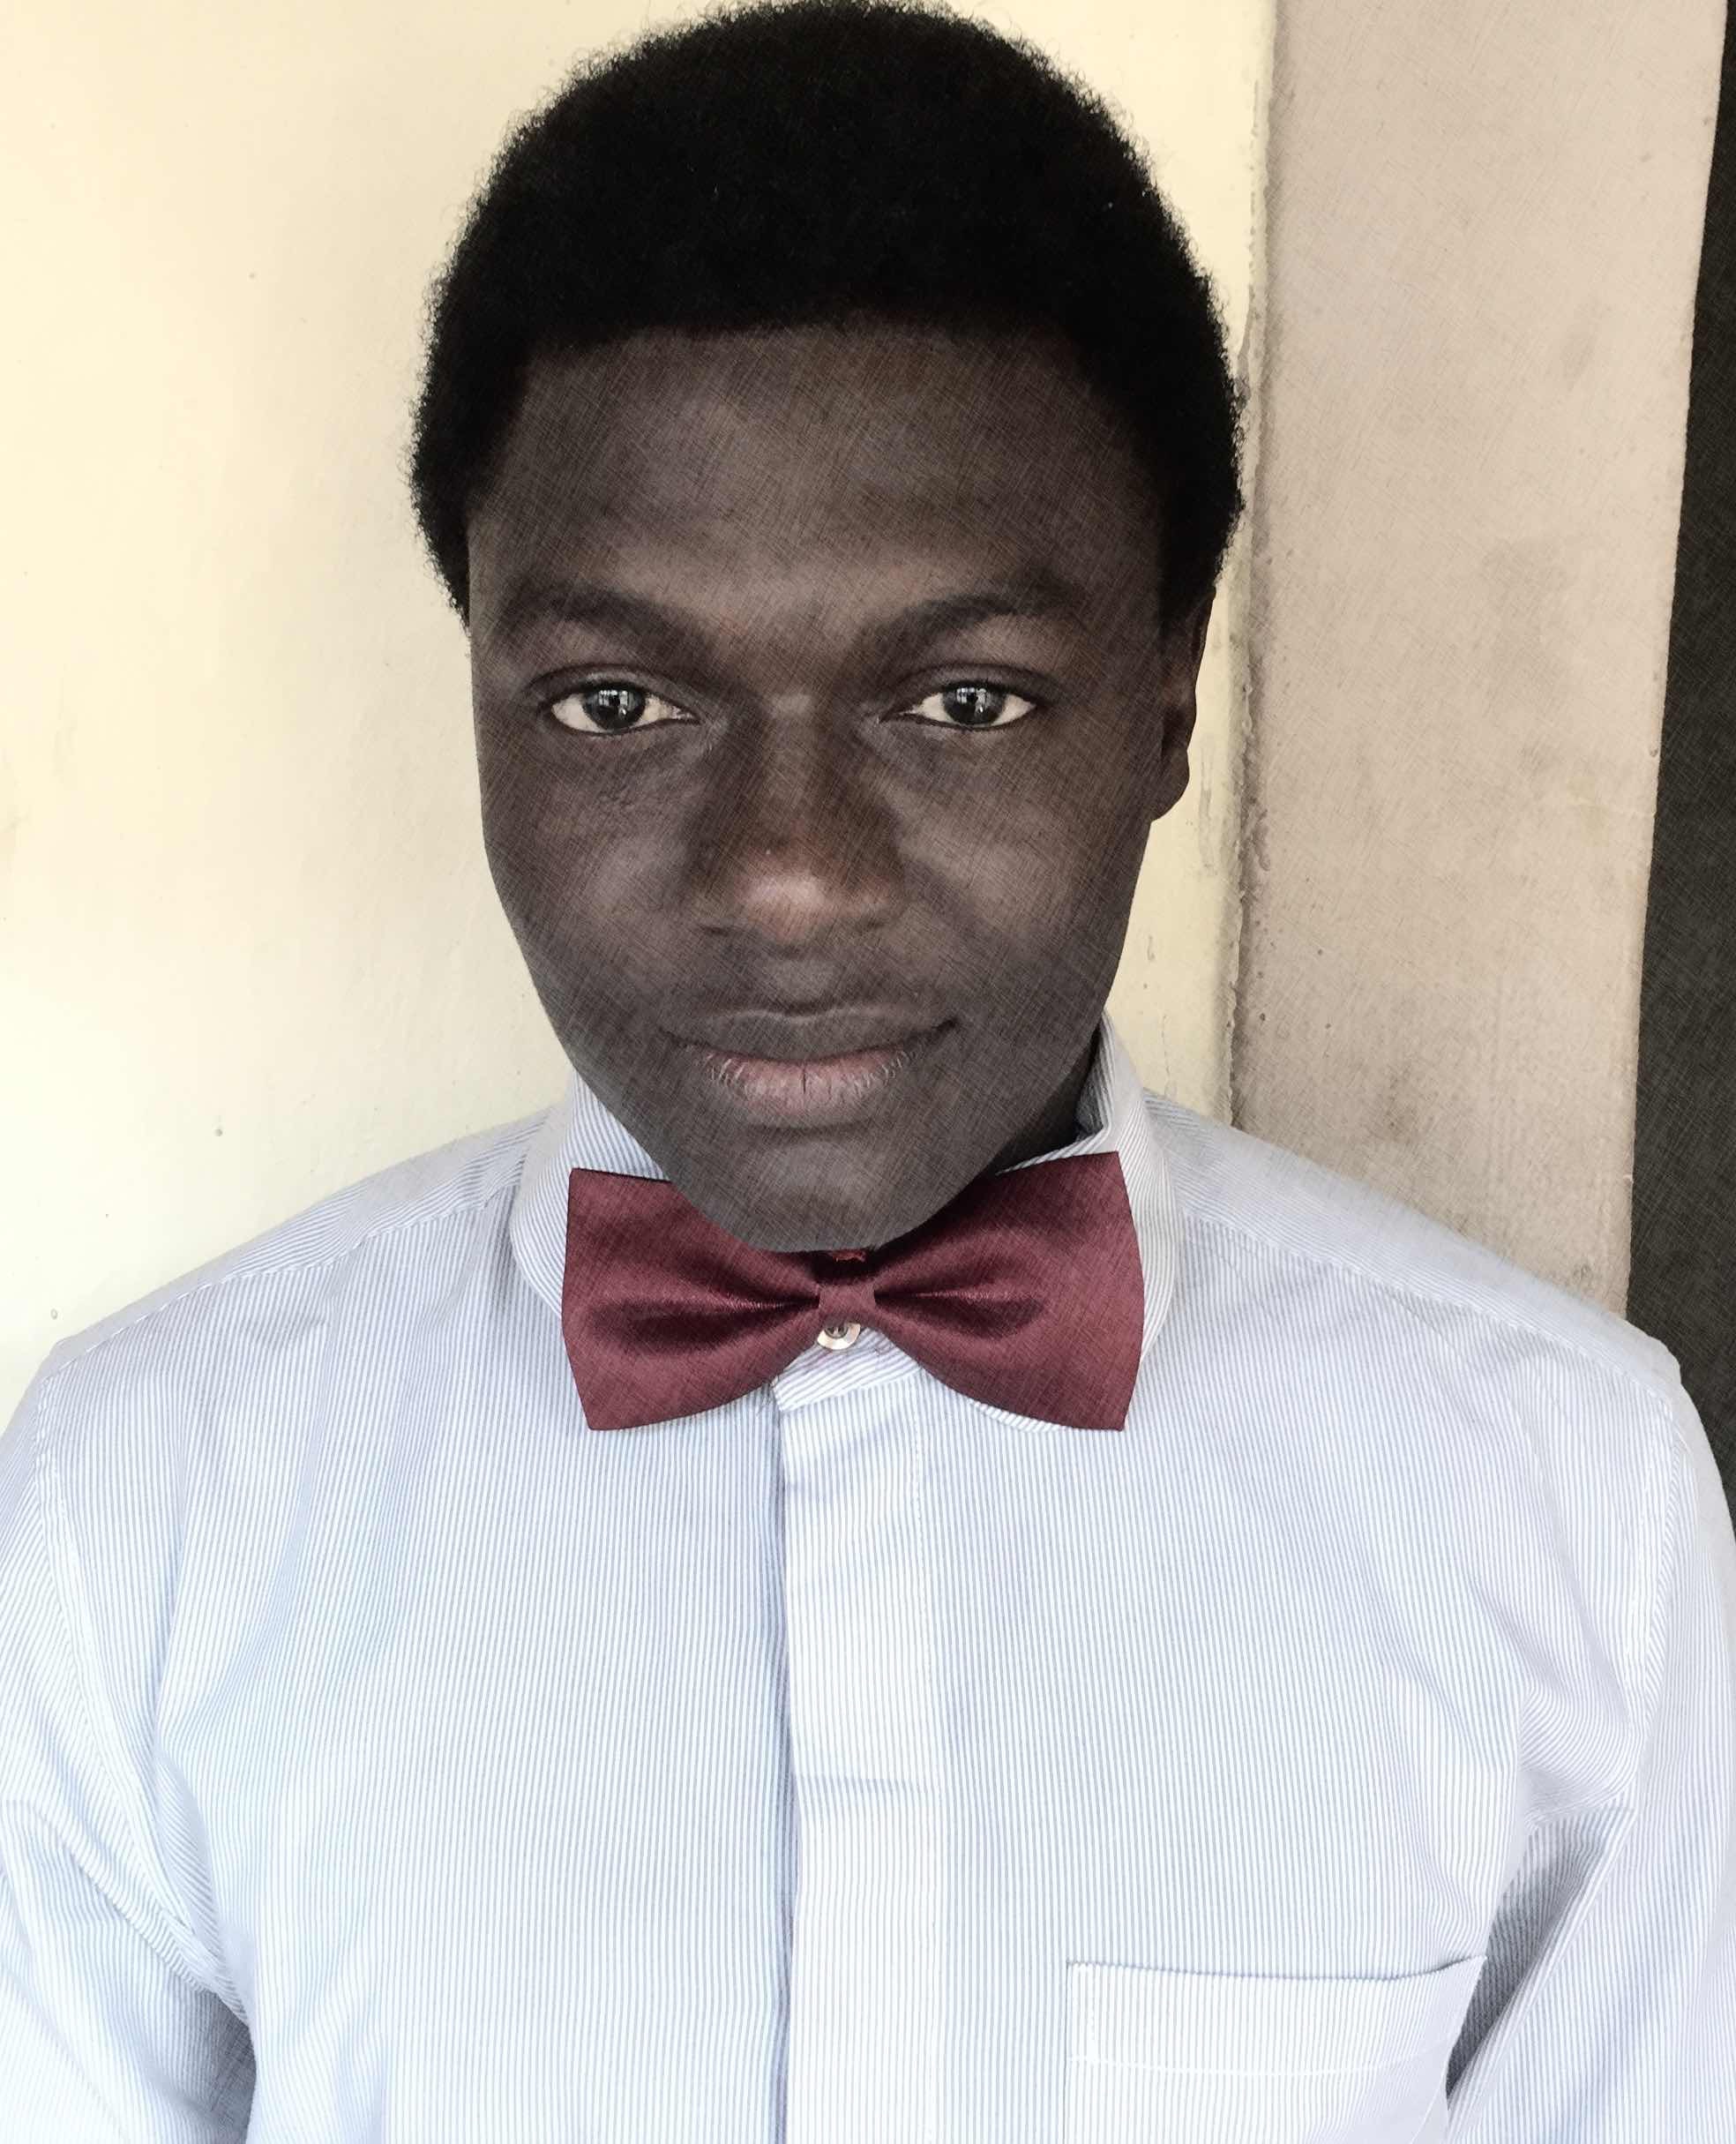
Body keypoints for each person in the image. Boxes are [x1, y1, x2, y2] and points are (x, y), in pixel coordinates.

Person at [4, 1, 1732, 2136]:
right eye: (617, 705)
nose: (792, 880)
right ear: (476, 701)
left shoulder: (1564, 1501)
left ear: (1167, 709)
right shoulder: (138, 1508)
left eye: (967, 702)